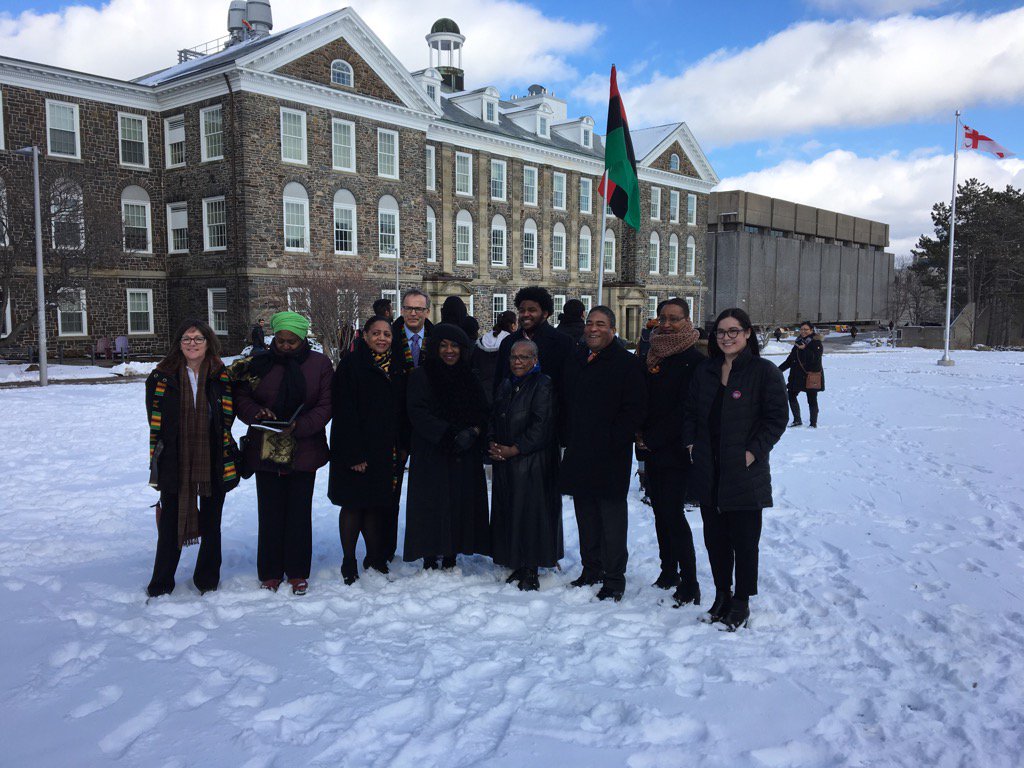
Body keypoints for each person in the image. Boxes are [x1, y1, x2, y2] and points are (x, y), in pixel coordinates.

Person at [683, 308, 788, 630]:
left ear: (747, 333)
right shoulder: (706, 370)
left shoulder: (763, 372)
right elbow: (690, 412)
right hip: (708, 469)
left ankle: (741, 600)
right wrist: (691, 444)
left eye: (733, 331)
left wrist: (753, 453)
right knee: (715, 540)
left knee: (744, 542)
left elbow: (776, 419)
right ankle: (722, 594)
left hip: (744, 473)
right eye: (720, 332)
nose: (726, 337)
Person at [233, 311, 333, 595]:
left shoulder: (319, 364)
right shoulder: (259, 363)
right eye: (280, 340)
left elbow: (326, 404)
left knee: (299, 511)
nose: (286, 346)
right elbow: (241, 396)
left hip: (304, 447)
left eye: (292, 341)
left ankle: (298, 570)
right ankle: (270, 571)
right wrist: (257, 413)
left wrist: (300, 426)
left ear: (302, 339)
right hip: (266, 447)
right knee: (270, 511)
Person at [145, 320, 240, 598]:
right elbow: (155, 419)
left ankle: (207, 580)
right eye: (186, 339)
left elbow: (228, 415)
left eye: (198, 338)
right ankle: (161, 582)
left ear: (208, 342)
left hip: (214, 455)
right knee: (171, 522)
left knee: (212, 523)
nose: (192, 344)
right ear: (179, 343)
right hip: (174, 457)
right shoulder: (162, 376)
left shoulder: (221, 376)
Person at [560, 307, 647, 601]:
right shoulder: (576, 359)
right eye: (589, 323)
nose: (593, 329)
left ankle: (613, 577)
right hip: (579, 449)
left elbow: (634, 409)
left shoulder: (627, 363)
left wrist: (613, 438)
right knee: (585, 515)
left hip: (610, 453)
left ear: (613, 329)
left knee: (611, 519)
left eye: (600, 324)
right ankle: (591, 568)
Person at [634, 299, 705, 604]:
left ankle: (690, 582)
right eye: (662, 318)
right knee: (660, 513)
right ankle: (668, 571)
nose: (666, 324)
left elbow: (686, 409)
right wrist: (639, 433)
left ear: (687, 321)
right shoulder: (651, 354)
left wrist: (653, 437)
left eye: (674, 319)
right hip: (650, 447)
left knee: (673, 515)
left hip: (675, 449)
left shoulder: (694, 360)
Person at [403, 324, 491, 570]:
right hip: (432, 449)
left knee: (457, 502)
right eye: (443, 345)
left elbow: (483, 411)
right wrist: (448, 433)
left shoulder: (469, 376)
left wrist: (473, 432)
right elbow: (417, 411)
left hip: (464, 451)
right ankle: (429, 552)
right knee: (432, 503)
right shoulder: (421, 375)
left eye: (454, 346)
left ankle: (452, 550)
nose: (449, 351)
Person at [329, 316, 406, 584]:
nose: (382, 338)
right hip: (356, 447)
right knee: (353, 505)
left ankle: (374, 557)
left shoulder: (396, 365)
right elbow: (344, 411)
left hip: (384, 448)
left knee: (375, 505)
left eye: (387, 334)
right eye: (376, 333)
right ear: (365, 335)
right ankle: (349, 560)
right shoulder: (352, 364)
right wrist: (354, 453)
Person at [489, 340, 562, 591]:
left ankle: (531, 568)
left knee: (531, 516)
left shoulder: (543, 384)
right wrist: (493, 443)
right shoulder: (506, 384)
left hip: (533, 463)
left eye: (524, 357)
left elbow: (542, 425)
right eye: (513, 357)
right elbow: (494, 415)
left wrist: (515, 448)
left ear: (535, 360)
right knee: (512, 513)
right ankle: (517, 561)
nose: (517, 362)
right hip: (507, 461)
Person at [387, 287, 433, 562]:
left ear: (427, 311)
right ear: (401, 309)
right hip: (395, 425)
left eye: (418, 308)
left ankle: (429, 547)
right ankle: (385, 549)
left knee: (428, 490)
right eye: (408, 308)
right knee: (390, 491)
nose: (413, 313)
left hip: (428, 425)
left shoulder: (438, 338)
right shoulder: (388, 337)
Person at [494, 287, 574, 399]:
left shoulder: (563, 342)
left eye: (532, 310)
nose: (525, 314)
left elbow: (568, 386)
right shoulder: (508, 342)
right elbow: (499, 381)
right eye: (522, 310)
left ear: (545, 313)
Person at [777, 321, 825, 428]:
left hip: (810, 376)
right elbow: (790, 360)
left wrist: (805, 349)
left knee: (811, 399)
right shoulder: (798, 342)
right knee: (791, 395)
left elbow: (815, 360)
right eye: (801, 329)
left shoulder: (816, 343)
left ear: (811, 330)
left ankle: (813, 423)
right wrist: (777, 370)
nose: (803, 331)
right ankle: (797, 420)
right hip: (797, 376)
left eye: (806, 329)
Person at [473, 310, 516, 403]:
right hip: (501, 388)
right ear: (513, 325)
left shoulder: (483, 340)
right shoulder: (510, 341)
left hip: (481, 387)